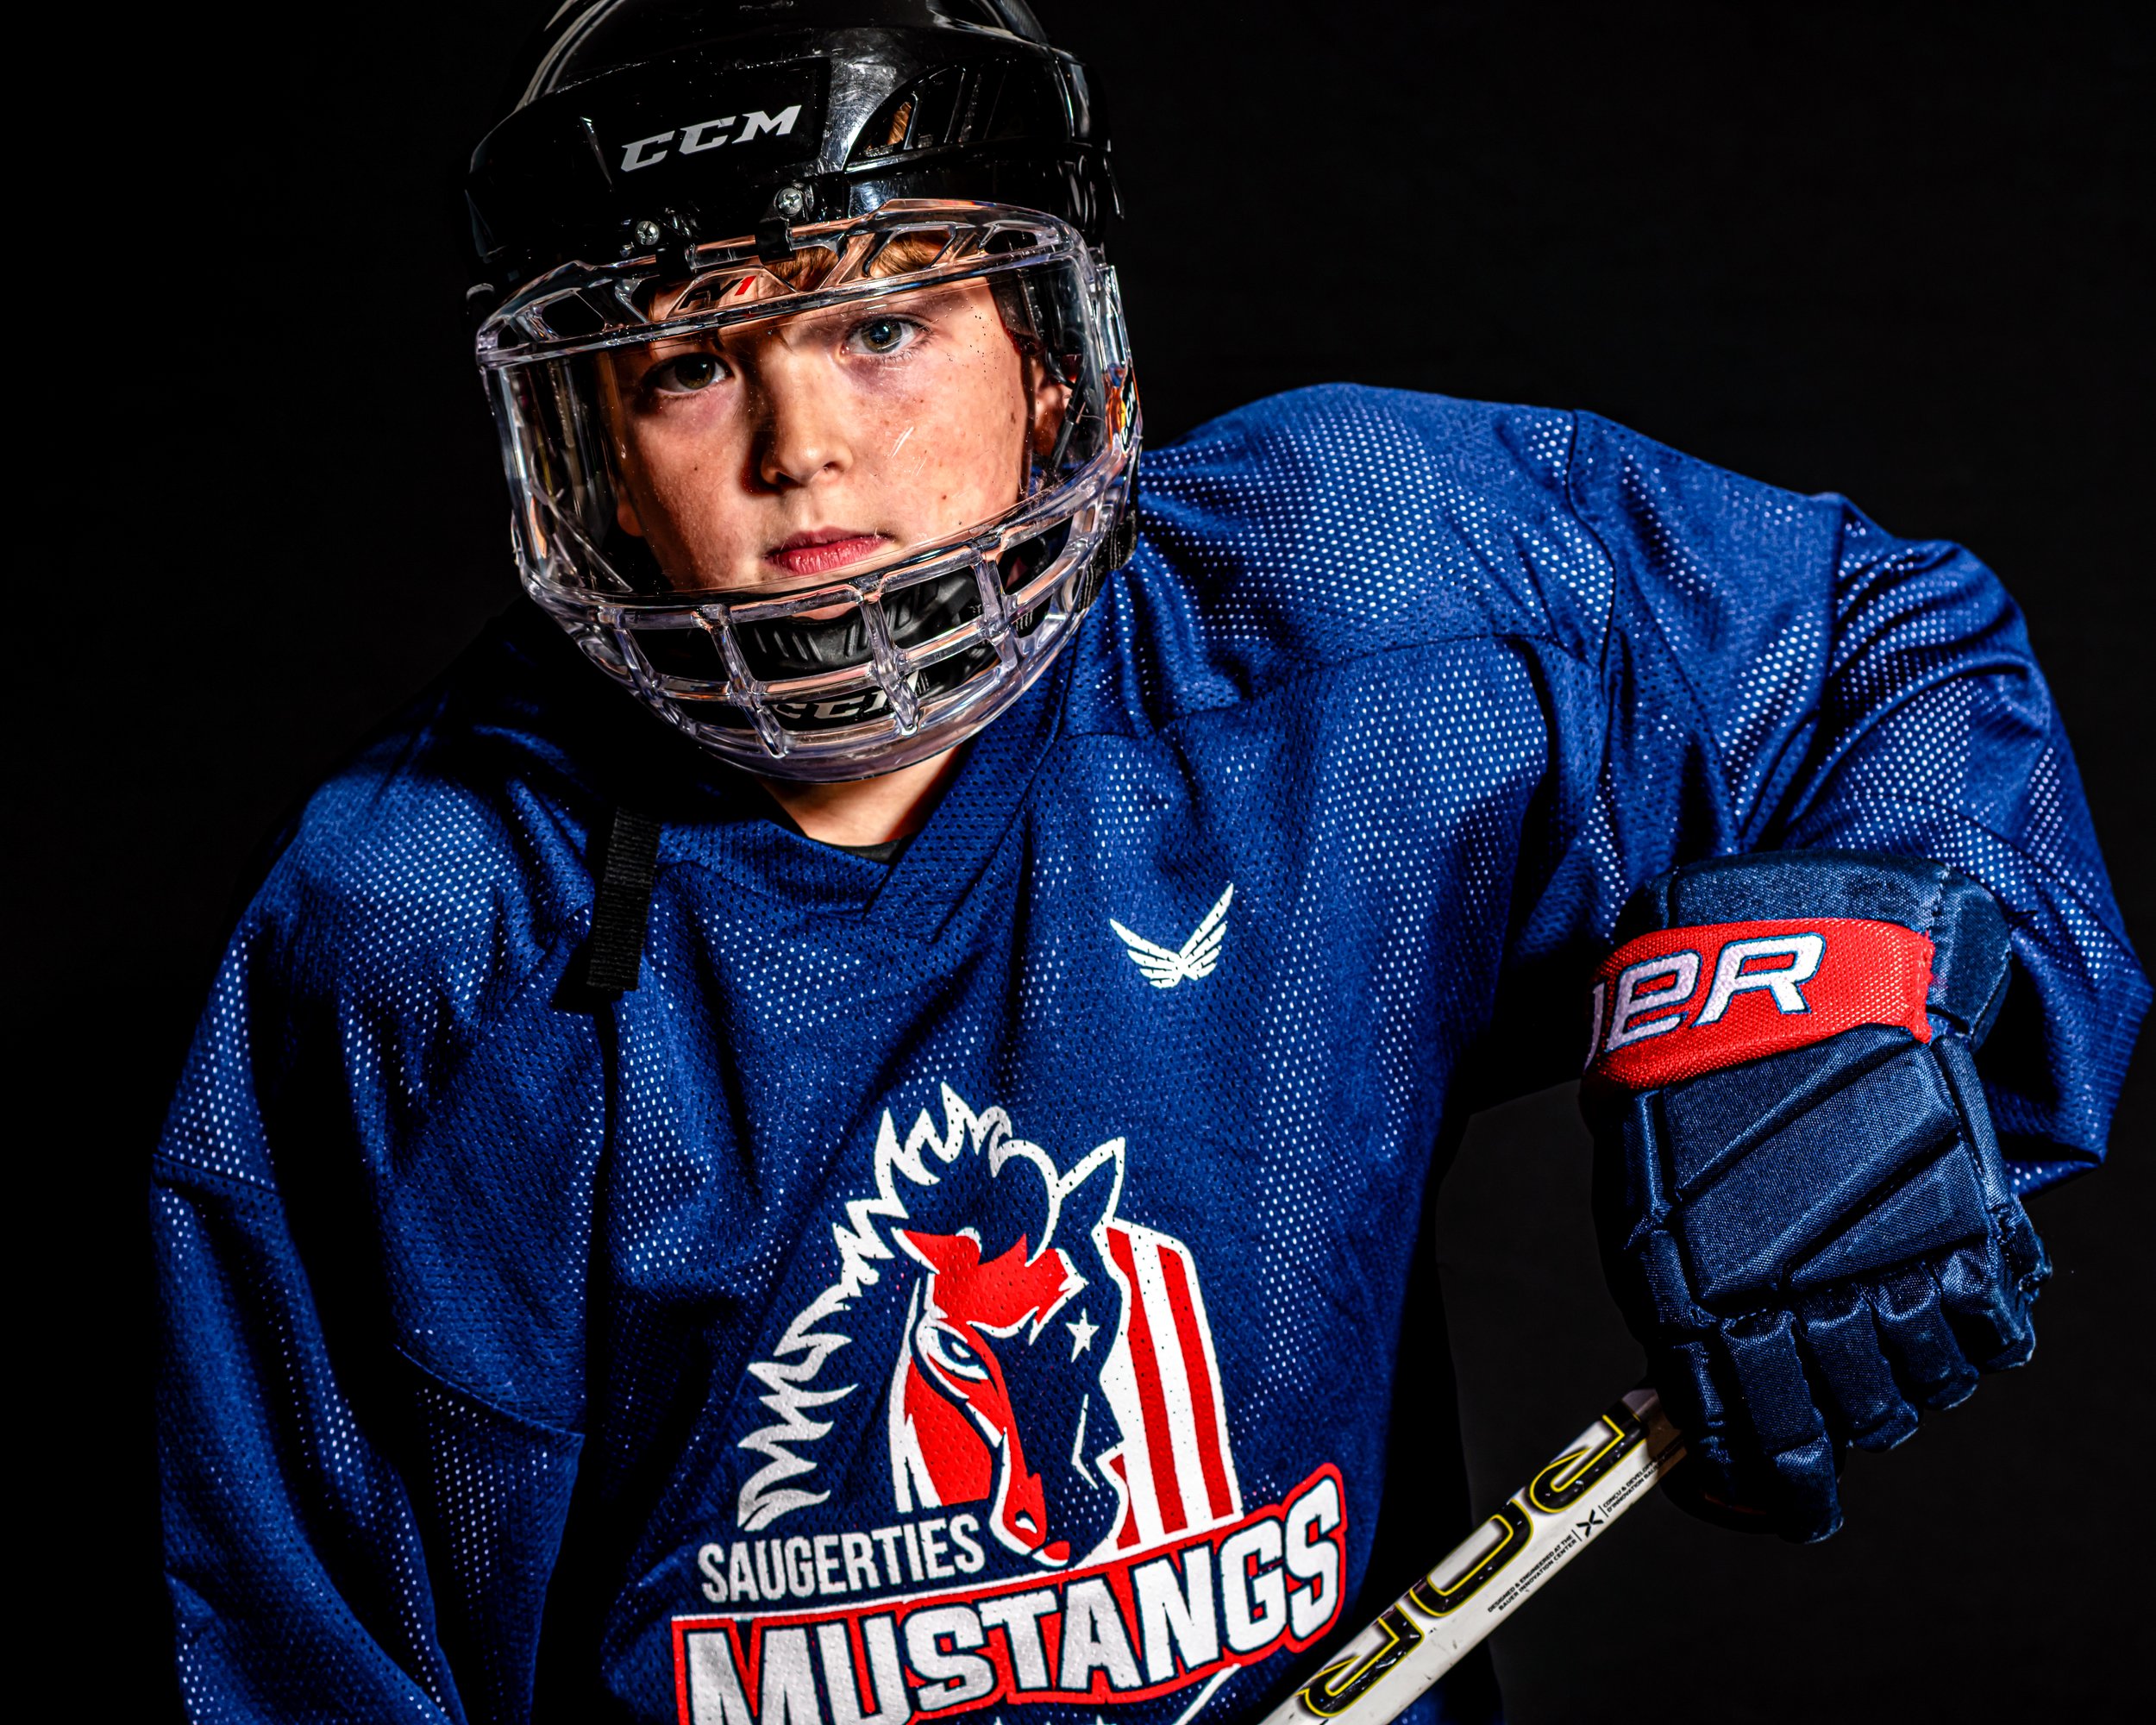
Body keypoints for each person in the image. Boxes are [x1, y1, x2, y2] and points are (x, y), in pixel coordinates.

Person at [151, 3, 2146, 1722]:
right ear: (583, 444)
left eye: (879, 322)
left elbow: (1885, 653)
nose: (796, 447)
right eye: (686, 363)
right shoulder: (421, 933)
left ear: (1043, 347)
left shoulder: (1350, 617)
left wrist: (1855, 980)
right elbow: (290, 1644)